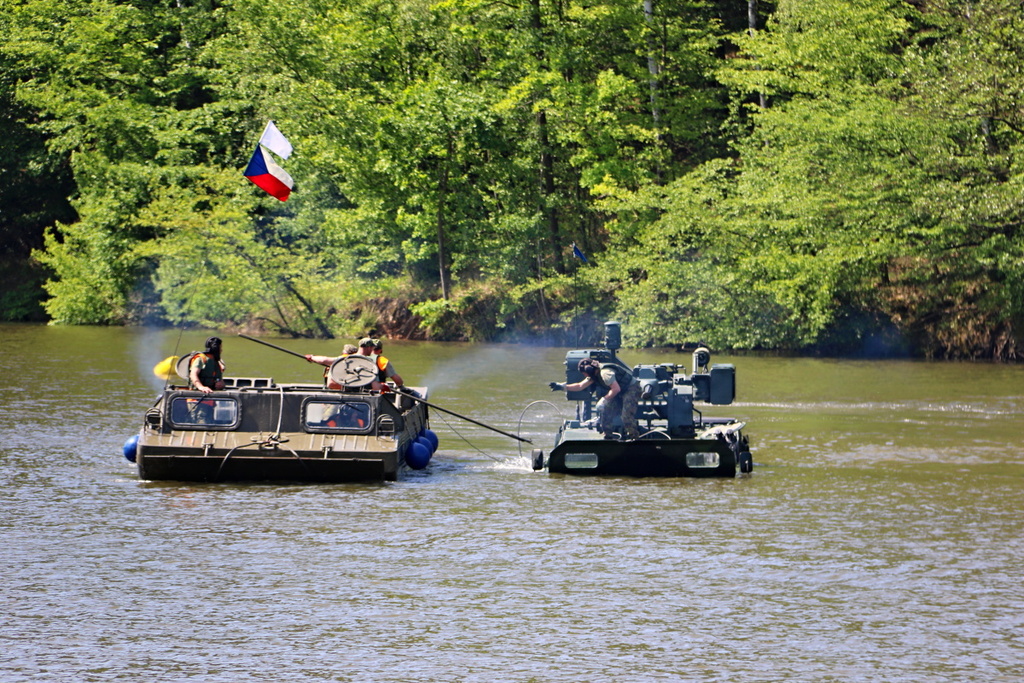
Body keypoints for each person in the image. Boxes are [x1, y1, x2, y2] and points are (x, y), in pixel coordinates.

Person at [550, 358, 641, 440]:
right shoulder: (595, 374)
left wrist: (604, 399)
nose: (584, 375)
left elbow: (616, 389)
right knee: (605, 410)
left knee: (626, 415)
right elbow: (580, 386)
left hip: (630, 388)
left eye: (583, 373)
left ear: (588, 370)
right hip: (618, 390)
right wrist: (562, 386)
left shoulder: (605, 373)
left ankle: (634, 437)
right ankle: (608, 436)